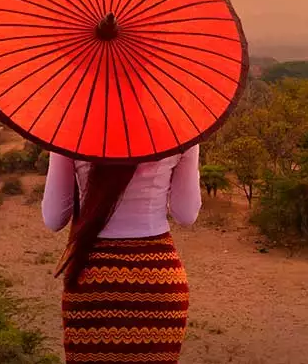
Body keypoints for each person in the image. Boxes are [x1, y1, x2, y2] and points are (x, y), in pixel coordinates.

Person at [42, 145, 202, 363]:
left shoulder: (70, 134)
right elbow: (186, 214)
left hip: (92, 280)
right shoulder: (181, 132)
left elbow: (54, 219)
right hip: (158, 281)